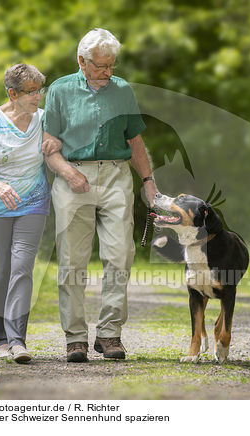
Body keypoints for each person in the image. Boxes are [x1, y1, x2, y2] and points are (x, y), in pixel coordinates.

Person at [43, 28, 159, 362]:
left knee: (120, 254)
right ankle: (75, 337)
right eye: (100, 66)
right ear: (82, 61)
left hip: (115, 177)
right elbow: (49, 147)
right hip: (72, 176)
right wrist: (68, 173)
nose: (108, 72)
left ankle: (109, 335)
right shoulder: (60, 91)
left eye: (111, 65)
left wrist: (148, 181)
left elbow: (134, 141)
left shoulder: (122, 90)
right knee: (71, 260)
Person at [0, 64, 61, 364]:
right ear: (12, 94)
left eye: (40, 90)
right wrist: (0, 187)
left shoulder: (44, 118)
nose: (38, 96)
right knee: (0, 272)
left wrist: (58, 144)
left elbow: (57, 143)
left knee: (22, 267)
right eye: (31, 91)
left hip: (34, 202)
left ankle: (17, 341)